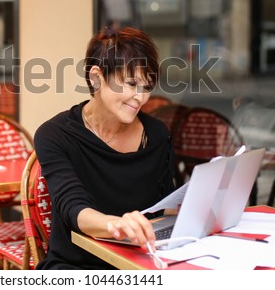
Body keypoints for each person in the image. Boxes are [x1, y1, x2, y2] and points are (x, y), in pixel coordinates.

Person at [34, 26, 175, 269]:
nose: (140, 97)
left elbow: (166, 209)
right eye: (131, 84)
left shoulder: (157, 135)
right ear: (96, 77)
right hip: (78, 266)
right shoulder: (55, 135)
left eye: (147, 86)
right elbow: (73, 208)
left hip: (143, 262)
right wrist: (116, 225)